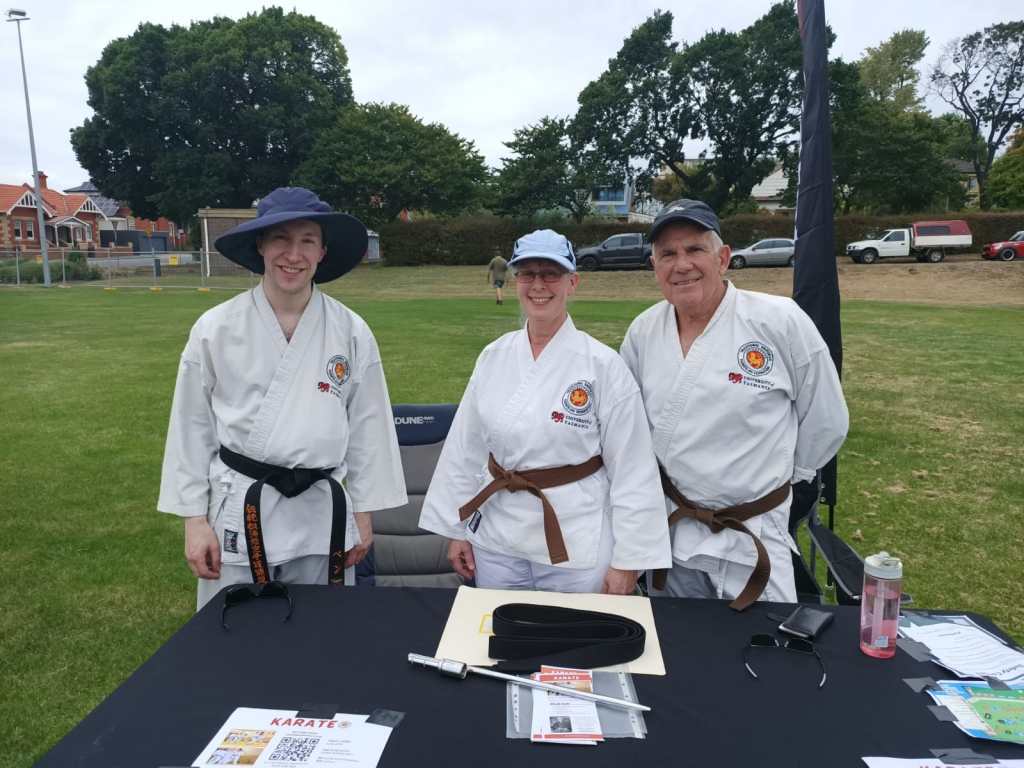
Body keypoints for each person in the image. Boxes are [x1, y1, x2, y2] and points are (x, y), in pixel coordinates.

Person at [158, 187, 407, 609]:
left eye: (307, 241)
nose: (293, 255)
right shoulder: (215, 328)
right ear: (260, 246)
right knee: (235, 638)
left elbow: (370, 428)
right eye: (281, 239)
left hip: (320, 515)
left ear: (322, 252)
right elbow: (190, 427)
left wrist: (363, 514)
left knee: (321, 637)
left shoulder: (351, 330)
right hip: (241, 508)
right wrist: (194, 521)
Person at [619, 200, 849, 608]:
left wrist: (785, 479)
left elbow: (826, 418)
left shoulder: (779, 321)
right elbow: (629, 427)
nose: (681, 264)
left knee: (765, 651)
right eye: (667, 254)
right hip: (674, 534)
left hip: (754, 529)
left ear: (723, 258)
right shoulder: (643, 331)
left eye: (694, 250)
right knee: (679, 651)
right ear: (654, 266)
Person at [418, 229, 671, 594]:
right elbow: (466, 448)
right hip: (498, 537)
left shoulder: (603, 365)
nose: (539, 285)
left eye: (551, 273)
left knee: (576, 644)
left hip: (575, 537)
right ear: (516, 279)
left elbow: (632, 468)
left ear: (573, 282)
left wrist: (628, 560)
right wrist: (457, 530)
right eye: (528, 274)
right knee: (499, 634)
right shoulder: (494, 357)